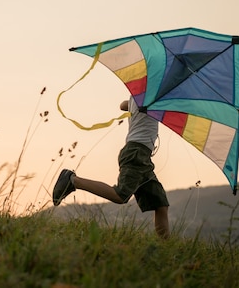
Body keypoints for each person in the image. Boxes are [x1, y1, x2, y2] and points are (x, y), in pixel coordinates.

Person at [52, 97, 170, 239]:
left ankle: (165, 244)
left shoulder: (141, 97)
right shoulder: (150, 98)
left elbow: (123, 105)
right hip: (136, 154)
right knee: (120, 195)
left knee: (160, 204)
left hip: (141, 157)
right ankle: (72, 180)